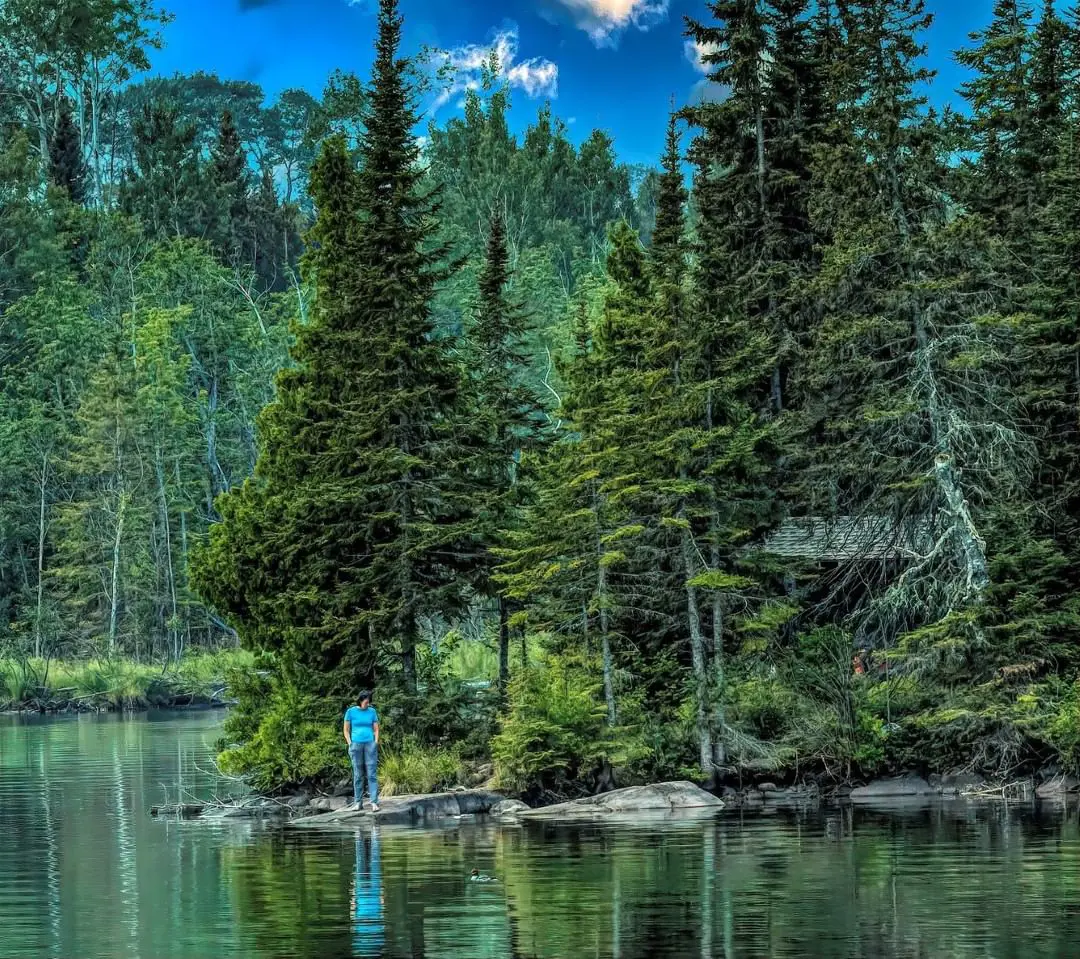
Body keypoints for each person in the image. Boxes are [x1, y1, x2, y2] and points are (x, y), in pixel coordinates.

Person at [344, 690, 380, 812]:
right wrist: (350, 744)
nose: (367, 704)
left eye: (369, 702)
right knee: (358, 775)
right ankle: (358, 802)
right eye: (366, 702)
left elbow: (376, 729)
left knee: (371, 774)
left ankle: (374, 802)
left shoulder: (372, 711)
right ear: (360, 700)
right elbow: (346, 730)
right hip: (356, 745)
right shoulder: (351, 712)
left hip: (370, 744)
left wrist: (375, 742)